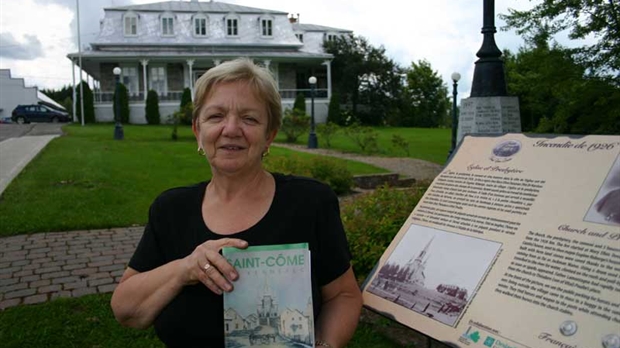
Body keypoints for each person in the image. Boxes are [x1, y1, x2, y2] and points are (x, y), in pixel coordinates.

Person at [110, 58, 363, 347]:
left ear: (269, 135)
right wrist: (186, 268)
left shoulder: (310, 202)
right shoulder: (170, 210)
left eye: (249, 118)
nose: (231, 129)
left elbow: (344, 295)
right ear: (198, 131)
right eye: (216, 116)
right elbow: (127, 312)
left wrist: (327, 345)